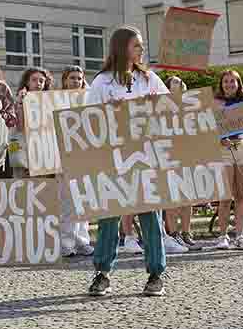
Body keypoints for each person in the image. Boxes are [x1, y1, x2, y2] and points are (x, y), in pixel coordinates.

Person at [85, 25, 169, 298]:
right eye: (137, 45)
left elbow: (171, 109)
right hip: (113, 160)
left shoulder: (150, 80)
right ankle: (103, 273)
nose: (141, 50)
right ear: (122, 48)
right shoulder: (101, 83)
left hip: (145, 158)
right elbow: (89, 119)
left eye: (142, 45)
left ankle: (156, 273)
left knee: (150, 215)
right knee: (109, 217)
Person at [211, 70, 243, 250]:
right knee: (225, 196)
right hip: (224, 150)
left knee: (241, 195)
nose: (229, 84)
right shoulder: (216, 103)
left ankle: (239, 236)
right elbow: (209, 128)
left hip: (242, 148)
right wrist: (219, 139)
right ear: (221, 84)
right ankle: (223, 236)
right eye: (226, 81)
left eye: (232, 82)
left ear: (238, 84)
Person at [58, 66, 94, 258]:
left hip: (83, 156)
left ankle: (82, 241)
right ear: (64, 80)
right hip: (63, 157)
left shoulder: (88, 100)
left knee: (83, 202)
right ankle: (66, 243)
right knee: (66, 202)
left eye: (79, 78)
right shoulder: (54, 100)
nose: (76, 82)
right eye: (72, 78)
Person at [160, 76, 193, 254]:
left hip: (186, 155)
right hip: (168, 156)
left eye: (180, 81)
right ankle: (172, 233)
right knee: (171, 198)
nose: (178, 82)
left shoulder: (189, 106)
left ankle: (186, 232)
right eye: (174, 81)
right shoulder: (160, 107)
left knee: (187, 197)